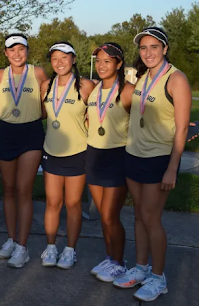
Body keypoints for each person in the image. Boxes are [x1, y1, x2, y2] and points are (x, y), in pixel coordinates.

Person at [113, 27, 191, 302]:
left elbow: (182, 128)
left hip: (159, 158)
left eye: (154, 47)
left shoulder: (176, 79)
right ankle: (141, 268)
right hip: (134, 154)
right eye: (143, 48)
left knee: (150, 217)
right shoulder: (144, 77)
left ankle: (159, 278)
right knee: (137, 216)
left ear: (165, 49)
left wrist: (172, 167)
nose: (148, 53)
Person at [40, 42, 95, 269]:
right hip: (52, 150)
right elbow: (42, 113)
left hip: (77, 151)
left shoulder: (86, 86)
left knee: (73, 204)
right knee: (53, 202)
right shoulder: (46, 85)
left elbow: (101, 113)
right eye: (55, 58)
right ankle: (51, 247)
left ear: (73, 59)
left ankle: (70, 250)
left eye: (64, 57)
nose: (60, 62)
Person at [0, 34, 48, 268]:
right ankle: (11, 239)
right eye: (11, 50)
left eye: (21, 49)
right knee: (8, 189)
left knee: (23, 190)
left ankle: (22, 247)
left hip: (31, 134)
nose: (16, 54)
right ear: (5, 53)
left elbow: (46, 108)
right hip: (6, 133)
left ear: (28, 51)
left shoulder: (38, 73)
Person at [85, 43, 134, 281]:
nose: (102, 65)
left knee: (109, 215)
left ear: (119, 64)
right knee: (102, 217)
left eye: (107, 61)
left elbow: (153, 114)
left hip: (117, 156)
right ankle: (109, 258)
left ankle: (120, 262)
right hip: (94, 155)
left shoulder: (128, 91)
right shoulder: (94, 89)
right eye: (99, 61)